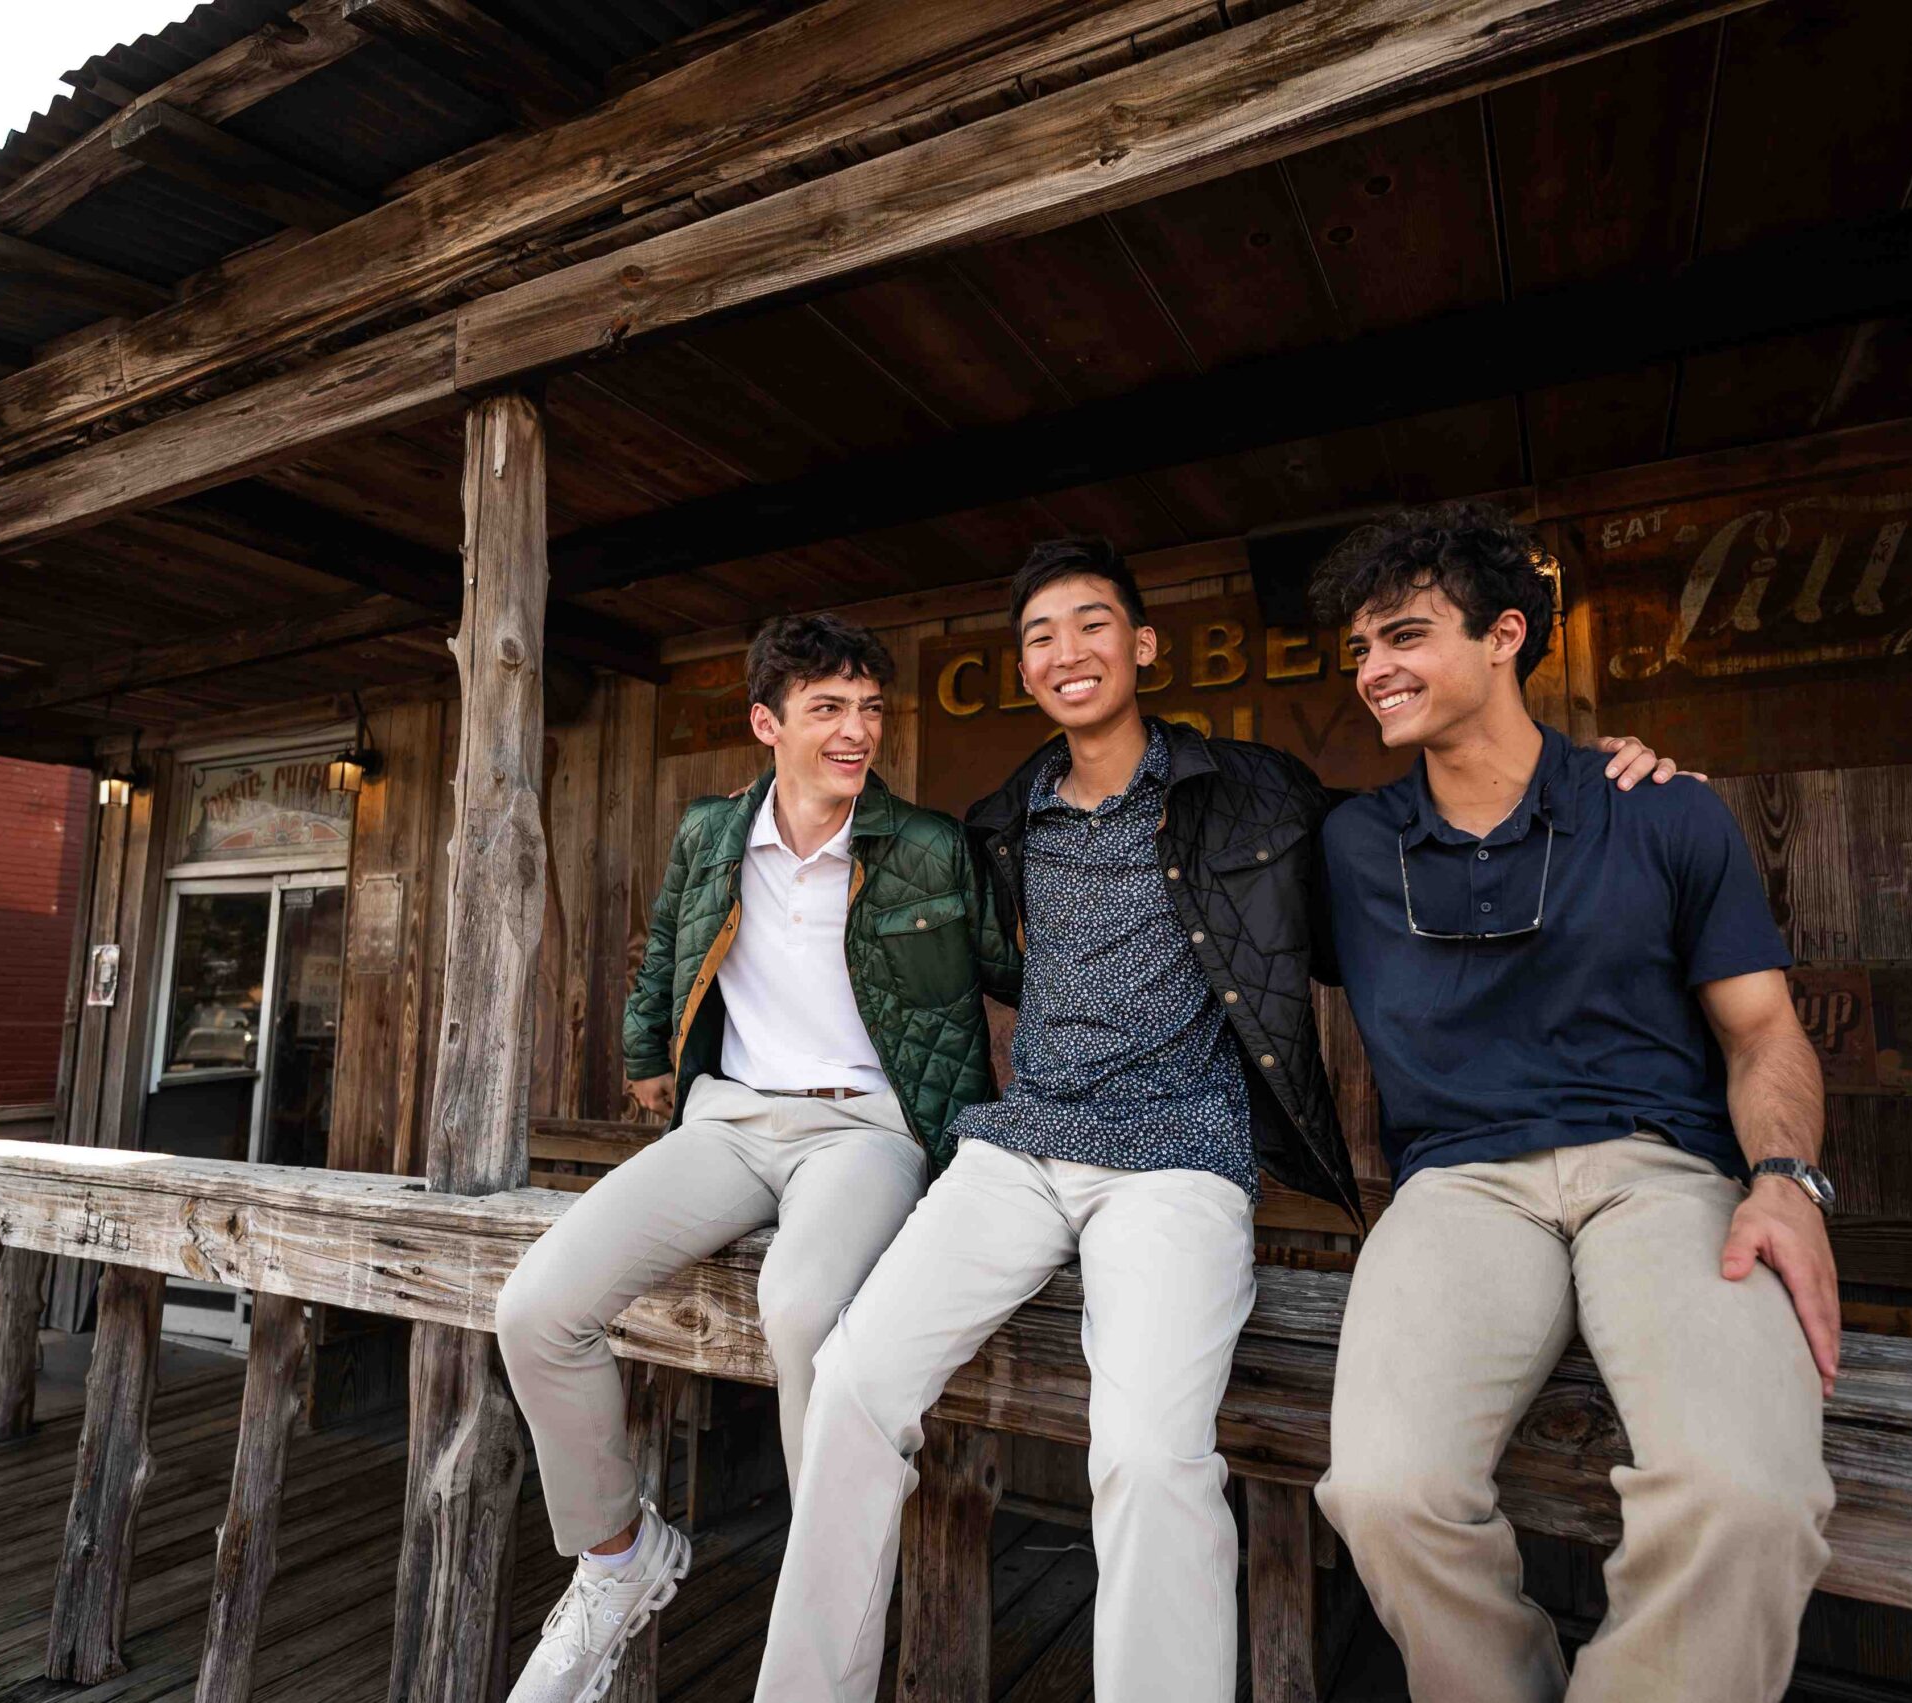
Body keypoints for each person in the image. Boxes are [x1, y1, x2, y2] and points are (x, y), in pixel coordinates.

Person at [754, 538, 1683, 1703]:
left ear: (1141, 646)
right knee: (847, 1382)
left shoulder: (1257, 791)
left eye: (1091, 624)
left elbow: (1438, 825)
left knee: (1147, 1455)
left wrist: (1592, 780)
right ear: (1026, 671)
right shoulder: (1006, 821)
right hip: (1020, 1147)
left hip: (1177, 1156)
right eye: (1040, 636)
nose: (1065, 650)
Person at [1309, 502, 1837, 1703]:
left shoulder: (1658, 804)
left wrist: (1786, 1181)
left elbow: (1763, 1033)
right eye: (1359, 651)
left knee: (1748, 1493)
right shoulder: (1348, 843)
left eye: (1403, 636)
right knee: (1384, 1492)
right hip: (1456, 1187)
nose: (1373, 670)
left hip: (1658, 1172)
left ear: (1505, 635)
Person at [493, 613, 1016, 1703]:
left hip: (869, 1129)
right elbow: (664, 952)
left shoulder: (925, 844)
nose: (856, 728)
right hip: (727, 1120)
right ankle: (615, 1555)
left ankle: (818, 1626)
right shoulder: (709, 832)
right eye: (828, 707)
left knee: (802, 1310)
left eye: (870, 707)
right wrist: (647, 1055)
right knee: (536, 1306)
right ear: (765, 722)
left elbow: (1027, 972)